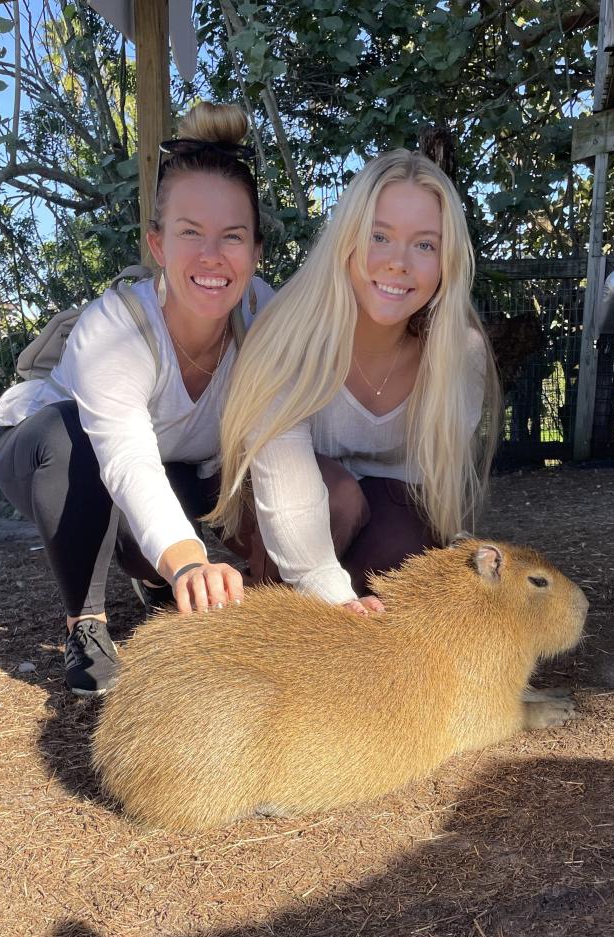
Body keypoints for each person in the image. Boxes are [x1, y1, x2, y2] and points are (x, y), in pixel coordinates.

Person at [0, 103, 272, 695]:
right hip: (52, 455)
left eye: (232, 237)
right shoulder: (113, 326)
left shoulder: (265, 314)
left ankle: (153, 575)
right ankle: (85, 624)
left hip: (176, 463)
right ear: (157, 244)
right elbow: (125, 458)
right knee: (69, 437)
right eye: (189, 233)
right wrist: (191, 559)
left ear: (255, 252)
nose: (211, 256)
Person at [210, 147, 501, 616]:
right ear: (346, 239)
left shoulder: (459, 353)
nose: (398, 262)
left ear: (447, 261)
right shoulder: (290, 332)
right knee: (339, 499)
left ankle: (349, 629)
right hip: (271, 499)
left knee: (410, 537)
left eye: (425, 245)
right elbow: (285, 483)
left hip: (371, 502)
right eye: (378, 236)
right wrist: (329, 589)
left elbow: (423, 486)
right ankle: (275, 613)